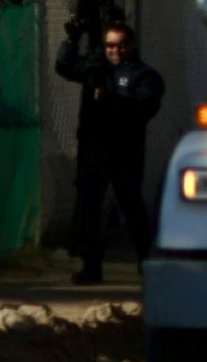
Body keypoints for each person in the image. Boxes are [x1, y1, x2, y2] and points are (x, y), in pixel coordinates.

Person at [57, 20, 164, 285]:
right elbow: (65, 66)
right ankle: (91, 266)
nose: (114, 50)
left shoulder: (144, 75)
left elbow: (143, 109)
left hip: (125, 152)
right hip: (95, 151)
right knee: (88, 208)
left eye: (120, 45)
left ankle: (146, 260)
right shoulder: (97, 70)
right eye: (109, 45)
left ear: (131, 45)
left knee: (132, 205)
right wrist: (71, 40)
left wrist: (111, 100)